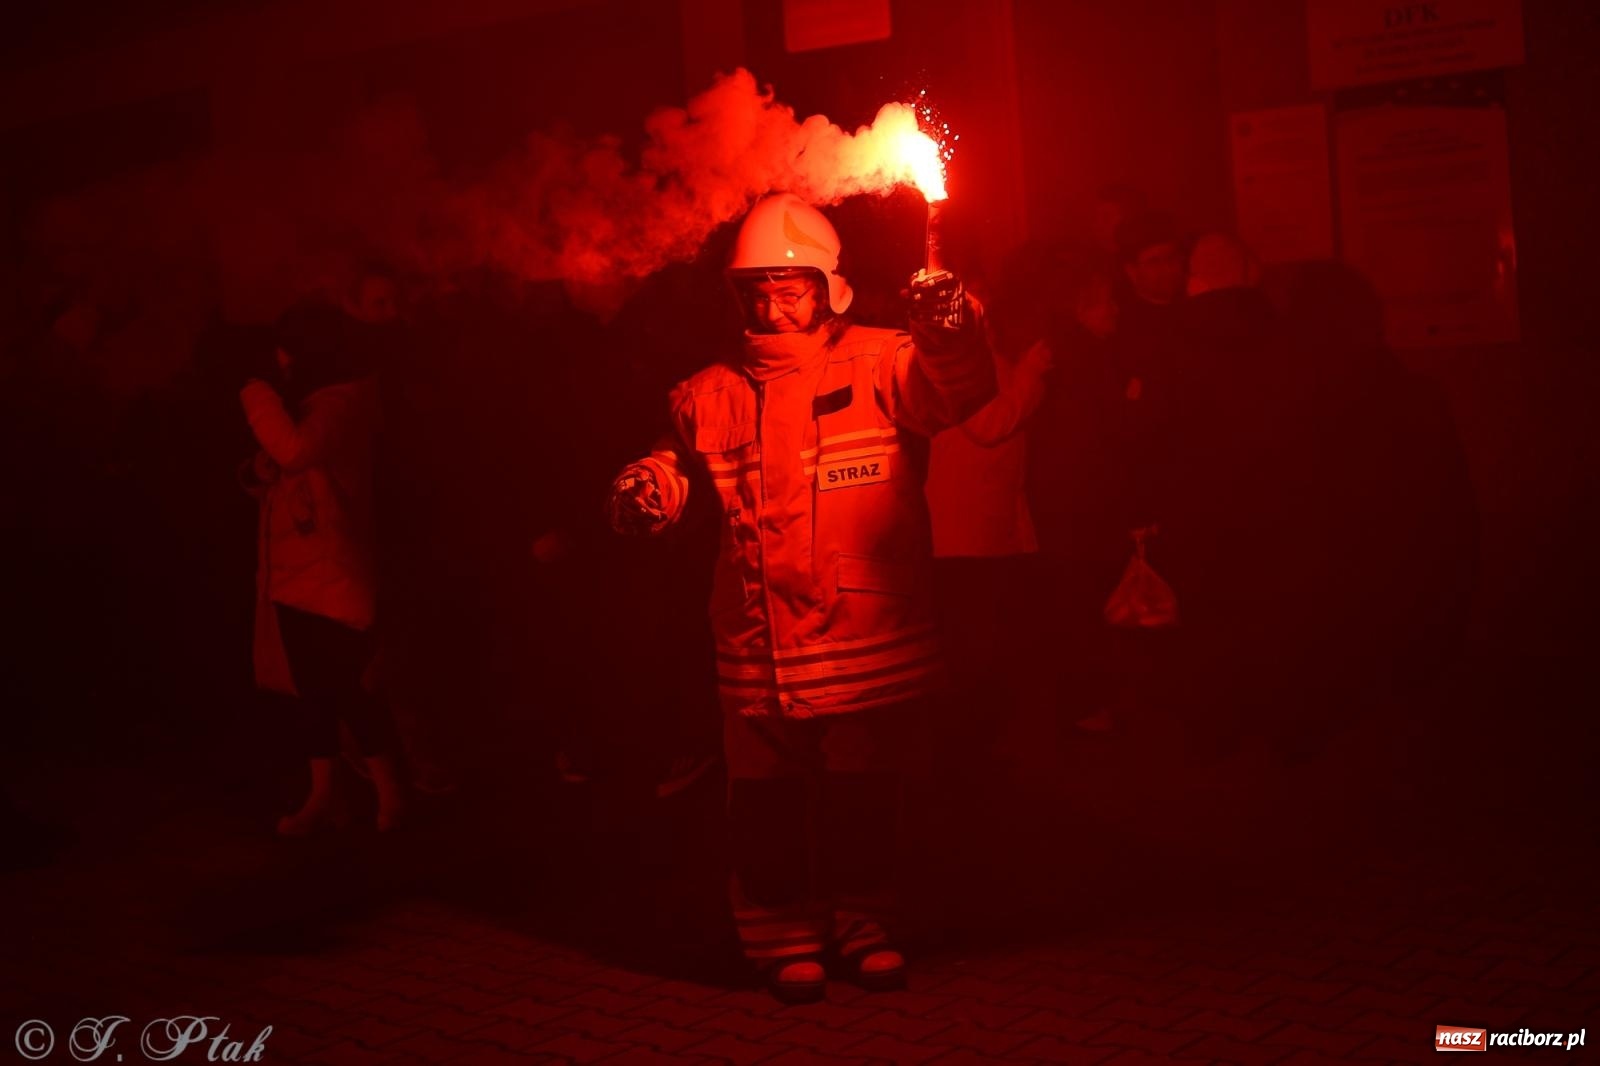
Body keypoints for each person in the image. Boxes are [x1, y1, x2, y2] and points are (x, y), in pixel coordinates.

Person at [607, 193, 993, 1002]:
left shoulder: (886, 361)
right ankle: (782, 938)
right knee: (765, 802)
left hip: (859, 632)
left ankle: (866, 926)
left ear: (828, 289)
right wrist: (649, 489)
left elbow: (957, 391)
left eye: (791, 287)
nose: (773, 304)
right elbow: (673, 465)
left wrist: (951, 324)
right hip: (757, 642)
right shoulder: (706, 392)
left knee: (863, 790)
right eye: (758, 290)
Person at [240, 304, 406, 834]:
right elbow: (282, 471)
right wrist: (254, 471)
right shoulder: (310, 403)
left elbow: (295, 452)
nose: (280, 361)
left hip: (334, 574)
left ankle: (391, 794)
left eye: (287, 349)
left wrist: (255, 394)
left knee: (346, 689)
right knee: (311, 693)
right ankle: (323, 796)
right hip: (296, 574)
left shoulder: (340, 404)